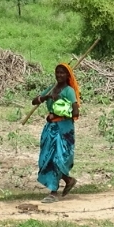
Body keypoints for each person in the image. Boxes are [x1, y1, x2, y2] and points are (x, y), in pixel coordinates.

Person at [33, 62, 81, 203]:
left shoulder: (69, 91)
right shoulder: (51, 89)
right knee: (46, 159)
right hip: (51, 129)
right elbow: (34, 101)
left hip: (64, 129)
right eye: (57, 72)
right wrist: (45, 97)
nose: (59, 75)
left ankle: (53, 192)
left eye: (62, 73)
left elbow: (75, 112)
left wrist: (60, 109)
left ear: (67, 75)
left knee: (58, 159)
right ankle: (69, 180)